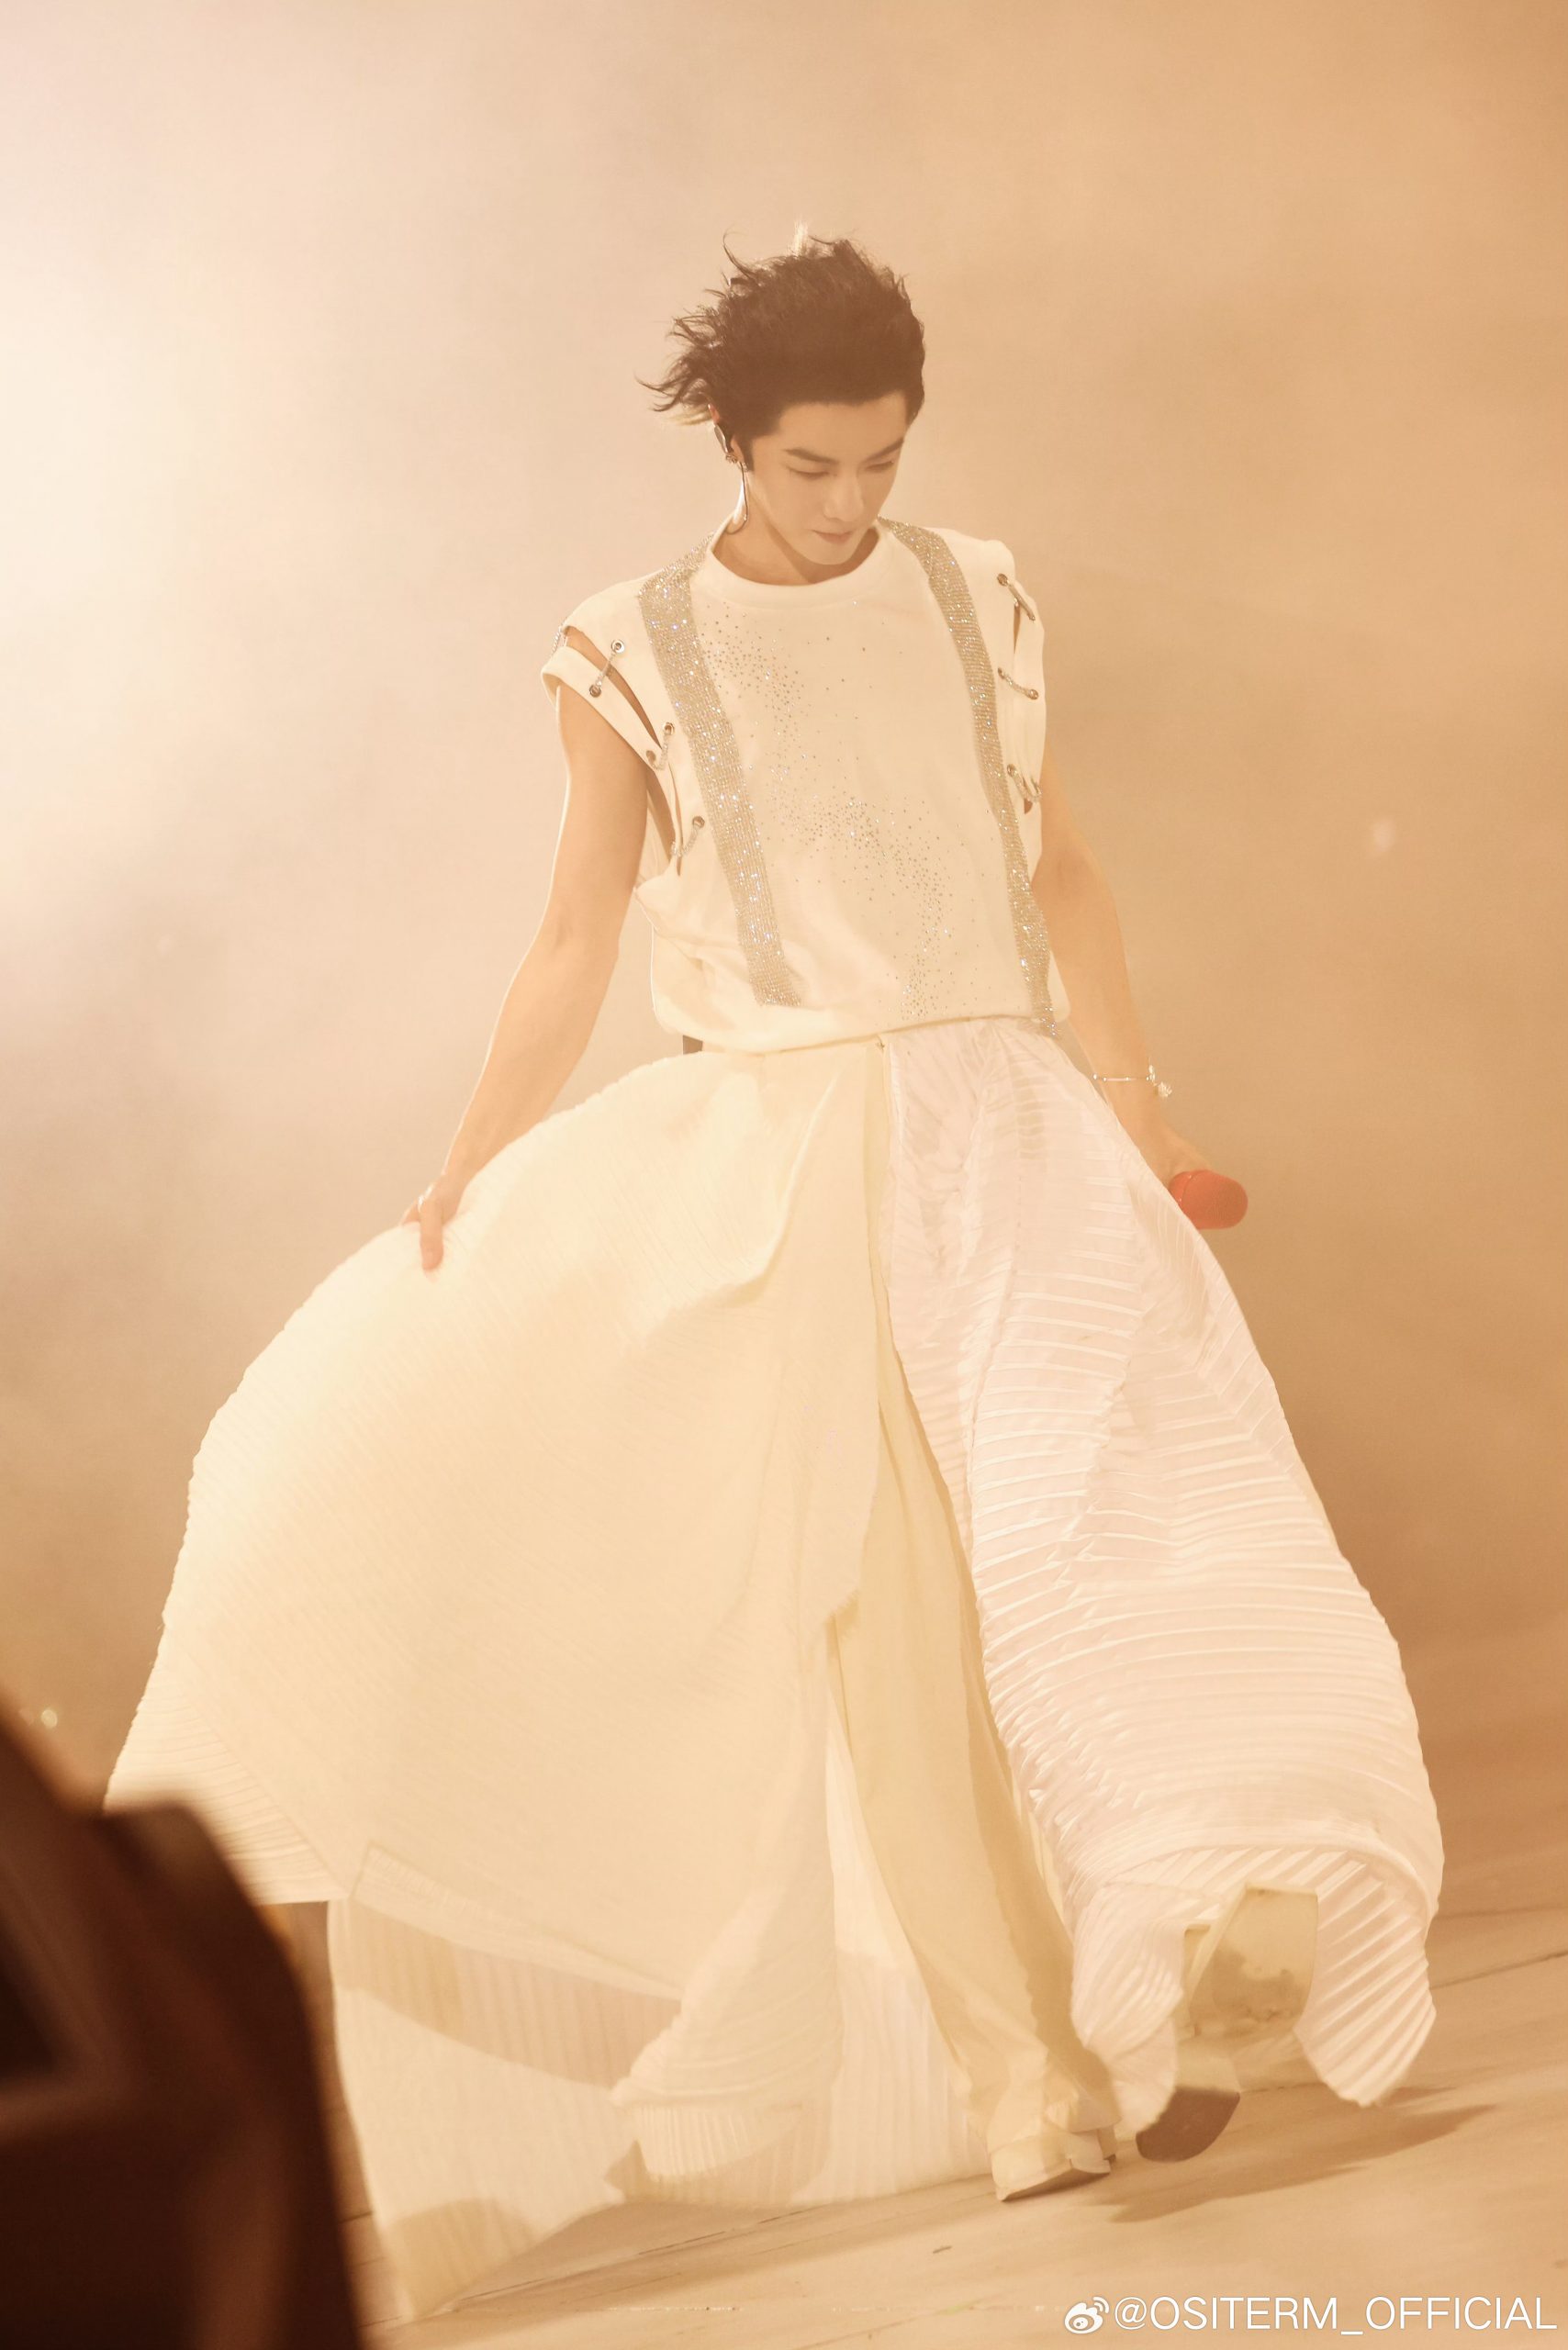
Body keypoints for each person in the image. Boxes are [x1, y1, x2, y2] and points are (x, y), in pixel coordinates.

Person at [103, 229, 1444, 2325]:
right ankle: (1030, 2080)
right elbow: (577, 930)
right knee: (898, 1633)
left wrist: (1140, 1115)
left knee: (1133, 1543)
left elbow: (1057, 870)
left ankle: (1206, 1926)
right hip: (797, 1161)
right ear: (732, 442)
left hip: (1010, 1140)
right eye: (812, 465)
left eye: (882, 459)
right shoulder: (633, 645)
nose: (849, 501)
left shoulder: (971, 591)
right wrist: (469, 1161)